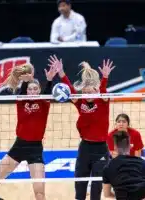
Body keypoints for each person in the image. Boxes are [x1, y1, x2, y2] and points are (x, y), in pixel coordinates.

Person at [49, 55, 115, 200]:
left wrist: (105, 77)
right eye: (86, 92)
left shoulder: (103, 101)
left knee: (96, 191)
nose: (88, 94)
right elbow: (70, 90)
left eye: (91, 91)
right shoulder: (81, 103)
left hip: (101, 150)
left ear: (96, 90)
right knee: (80, 188)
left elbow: (103, 90)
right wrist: (61, 73)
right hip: (85, 148)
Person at [0, 63, 57, 200]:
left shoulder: (44, 102)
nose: (33, 92)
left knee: (39, 192)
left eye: (35, 89)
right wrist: (26, 80)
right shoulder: (21, 101)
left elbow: (47, 92)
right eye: (30, 89)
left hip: (36, 150)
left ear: (39, 90)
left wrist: (50, 80)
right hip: (19, 146)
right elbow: (22, 91)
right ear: (27, 91)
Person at [102, 131, 145, 200]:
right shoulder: (143, 163)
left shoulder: (108, 167)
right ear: (130, 146)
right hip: (144, 196)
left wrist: (118, 196)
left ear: (115, 147)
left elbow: (107, 194)